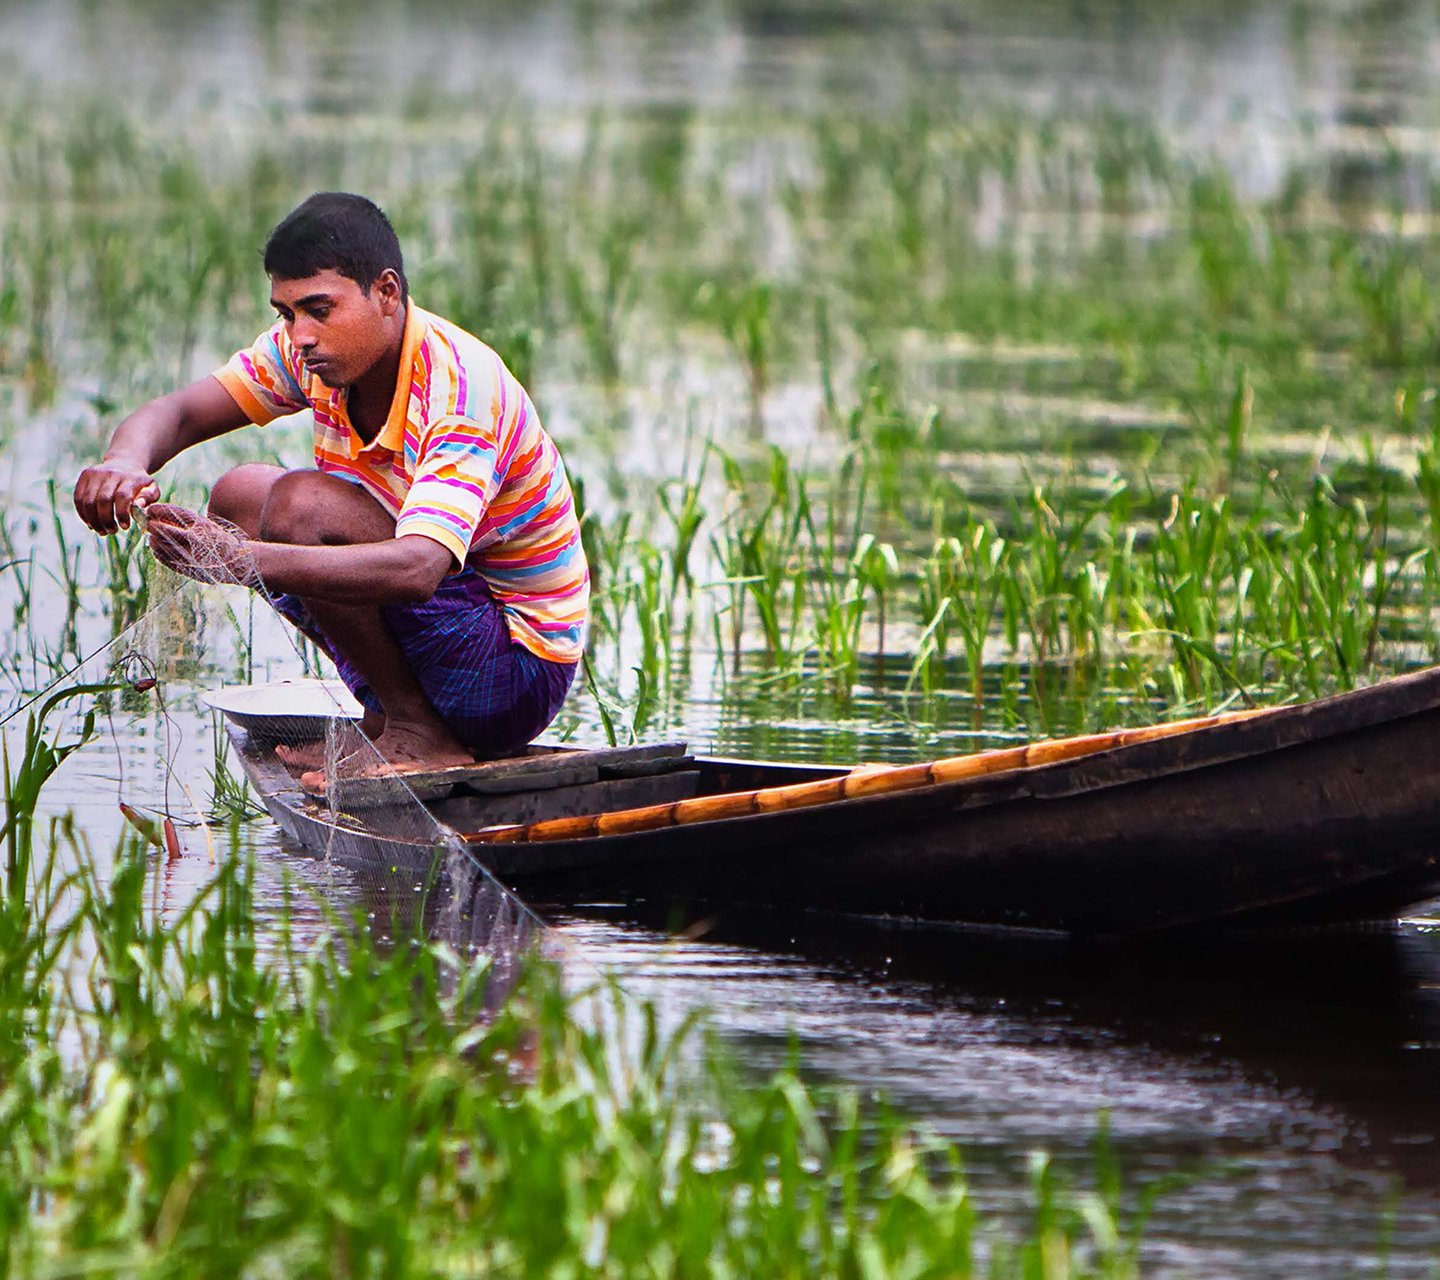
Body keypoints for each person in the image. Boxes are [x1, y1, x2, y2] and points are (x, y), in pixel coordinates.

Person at [74, 192, 589, 785]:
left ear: (387, 294)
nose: (301, 335)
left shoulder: (460, 387)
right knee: (239, 496)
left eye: (319, 309)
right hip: (449, 631)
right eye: (286, 313)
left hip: (513, 675)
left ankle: (420, 732)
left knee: (300, 506)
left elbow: (419, 568)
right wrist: (122, 463)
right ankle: (390, 716)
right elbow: (182, 414)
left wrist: (243, 560)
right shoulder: (310, 355)